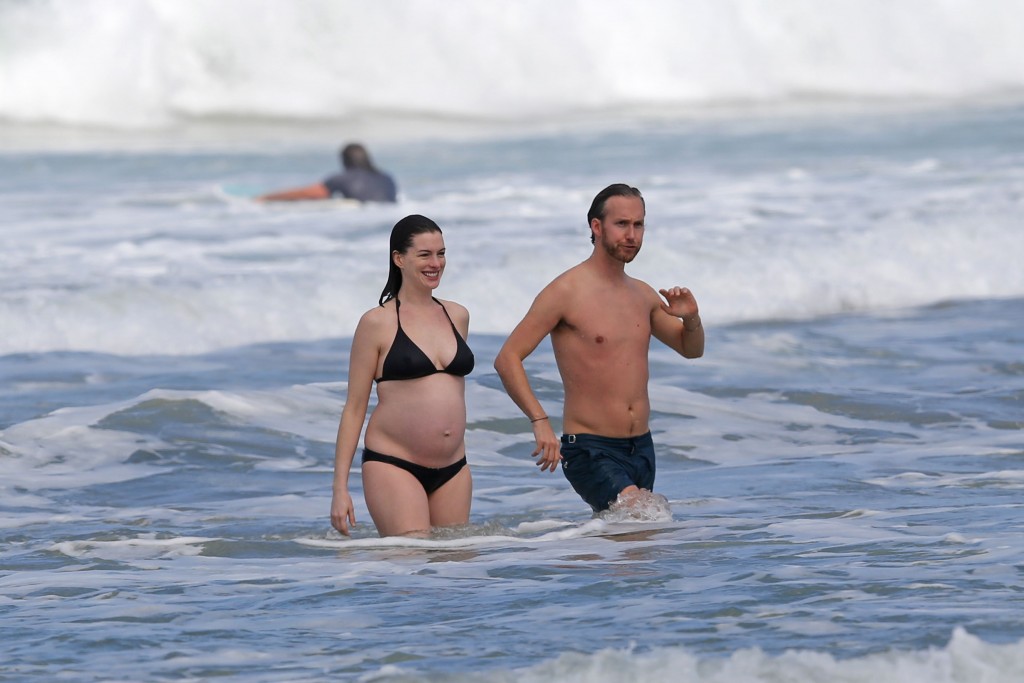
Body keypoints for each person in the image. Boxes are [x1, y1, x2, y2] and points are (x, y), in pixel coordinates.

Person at [493, 183, 704, 513]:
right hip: (590, 448)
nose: (631, 235)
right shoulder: (566, 292)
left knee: (629, 549)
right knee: (642, 523)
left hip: (642, 448)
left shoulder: (643, 295)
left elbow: (690, 349)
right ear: (596, 226)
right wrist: (539, 421)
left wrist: (691, 319)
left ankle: (575, 560)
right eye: (622, 224)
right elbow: (507, 358)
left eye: (638, 225)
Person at [330, 214, 474, 537]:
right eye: (424, 255)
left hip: (454, 467)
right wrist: (339, 489)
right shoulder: (376, 323)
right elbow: (354, 408)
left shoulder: (458, 316)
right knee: (411, 565)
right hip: (393, 464)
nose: (435, 263)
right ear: (399, 259)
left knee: (457, 574)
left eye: (441, 253)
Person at [258, 143, 397, 203]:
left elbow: (307, 193)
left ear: (344, 161)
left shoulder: (343, 178)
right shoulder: (387, 178)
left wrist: (267, 197)